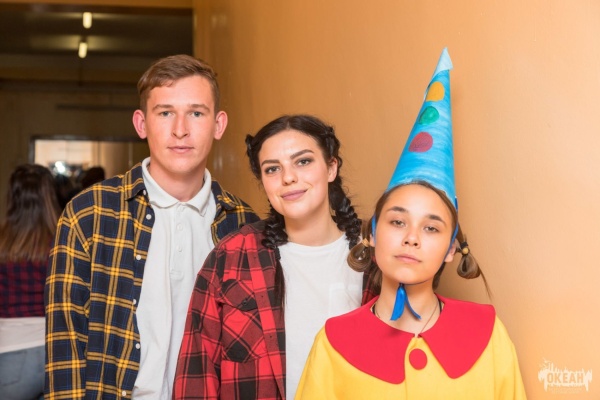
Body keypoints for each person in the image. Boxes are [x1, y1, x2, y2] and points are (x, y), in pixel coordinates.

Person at [295, 49, 527, 399]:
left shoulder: (487, 333)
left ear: (451, 249)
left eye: (431, 228)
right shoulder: (334, 344)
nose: (412, 238)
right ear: (372, 234)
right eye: (398, 221)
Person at [44, 54, 260, 399]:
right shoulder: (89, 214)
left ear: (218, 125)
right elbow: (65, 347)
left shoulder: (244, 225)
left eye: (196, 113)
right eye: (165, 113)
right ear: (141, 123)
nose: (180, 130)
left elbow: (253, 355)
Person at [173, 114, 378, 399]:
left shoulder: (377, 256)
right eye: (272, 169)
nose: (288, 177)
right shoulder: (232, 257)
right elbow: (197, 368)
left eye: (303, 161)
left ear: (331, 167)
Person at [0, 164, 60, 400]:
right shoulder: (64, 242)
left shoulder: (2, 245)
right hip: (58, 354)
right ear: (50, 197)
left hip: (11, 353)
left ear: (13, 197)